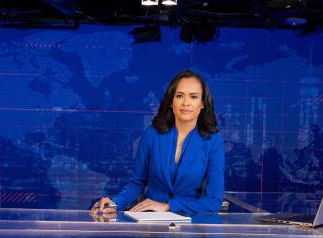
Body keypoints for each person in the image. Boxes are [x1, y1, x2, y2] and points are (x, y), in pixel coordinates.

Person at [92, 70, 224, 216]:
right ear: (171, 102)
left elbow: (213, 201)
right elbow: (137, 183)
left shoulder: (213, 140)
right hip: (149, 223)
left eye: (193, 97)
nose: (186, 103)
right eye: (179, 96)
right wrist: (115, 204)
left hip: (189, 224)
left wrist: (168, 206)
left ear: (202, 104)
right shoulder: (152, 134)